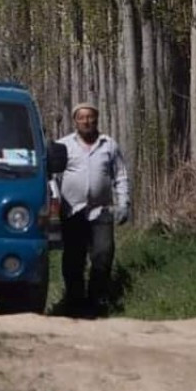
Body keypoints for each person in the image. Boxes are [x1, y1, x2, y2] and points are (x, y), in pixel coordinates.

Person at [57, 102, 130, 317]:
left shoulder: (108, 145)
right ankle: (74, 302)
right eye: (82, 118)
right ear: (75, 121)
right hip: (72, 212)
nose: (87, 121)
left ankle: (97, 299)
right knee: (73, 258)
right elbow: (53, 177)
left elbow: (120, 175)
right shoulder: (64, 145)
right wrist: (55, 202)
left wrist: (124, 203)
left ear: (96, 119)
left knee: (103, 254)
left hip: (101, 210)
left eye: (91, 117)